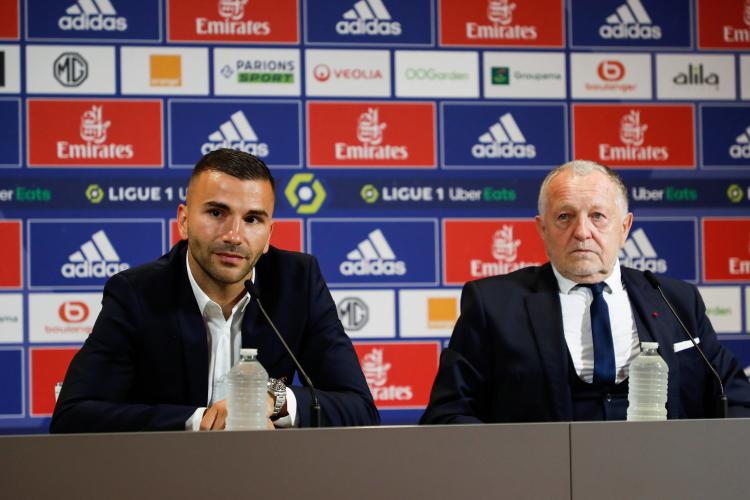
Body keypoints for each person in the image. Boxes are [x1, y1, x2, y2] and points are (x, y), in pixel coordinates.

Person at [51, 149, 378, 432]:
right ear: (183, 221)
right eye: (217, 213)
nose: (234, 235)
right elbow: (73, 416)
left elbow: (360, 410)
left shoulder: (298, 282)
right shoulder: (137, 293)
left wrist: (274, 401)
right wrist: (201, 421)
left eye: (252, 219)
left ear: (268, 235)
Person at [421, 160, 750, 424]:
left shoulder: (676, 301)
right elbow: (449, 413)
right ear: (542, 228)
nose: (582, 232)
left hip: (661, 478)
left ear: (624, 228)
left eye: (597, 216)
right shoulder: (493, 304)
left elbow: (734, 398)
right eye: (565, 216)